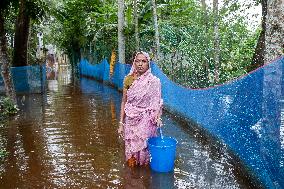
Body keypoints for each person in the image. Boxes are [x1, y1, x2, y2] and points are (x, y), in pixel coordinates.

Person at [118, 51, 163, 167]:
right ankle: (131, 177)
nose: (140, 64)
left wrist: (157, 118)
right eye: (137, 61)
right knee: (130, 151)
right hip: (130, 120)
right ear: (134, 63)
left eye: (143, 61)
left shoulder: (154, 81)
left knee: (144, 150)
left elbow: (156, 104)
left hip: (146, 122)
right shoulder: (128, 79)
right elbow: (124, 101)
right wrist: (121, 123)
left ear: (148, 64)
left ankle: (144, 174)